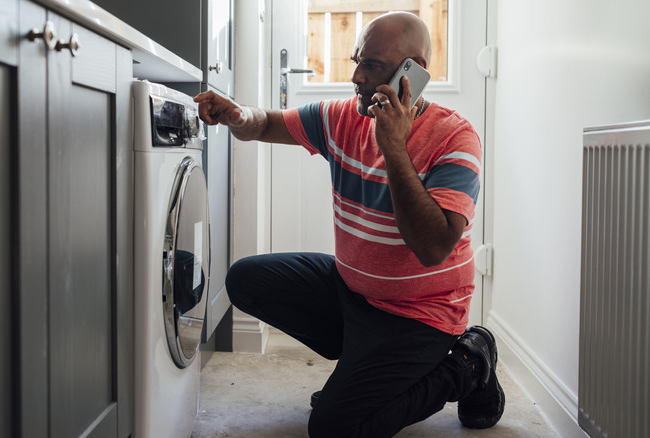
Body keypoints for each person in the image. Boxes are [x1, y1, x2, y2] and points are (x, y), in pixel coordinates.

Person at [194, 11, 504, 437]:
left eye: (371, 65)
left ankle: (467, 367)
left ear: (413, 71)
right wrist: (236, 114)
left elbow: (433, 247)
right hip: (354, 293)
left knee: (334, 428)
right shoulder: (342, 117)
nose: (356, 75)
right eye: (357, 61)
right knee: (245, 280)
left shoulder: (455, 137)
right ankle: (365, 366)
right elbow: (264, 123)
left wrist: (393, 147)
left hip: (421, 315)